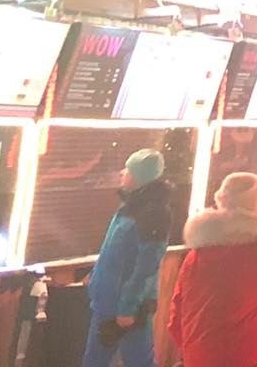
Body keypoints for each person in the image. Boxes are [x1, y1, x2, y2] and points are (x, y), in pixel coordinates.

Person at [168, 172, 257, 367]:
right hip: (241, 355)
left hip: (198, 354)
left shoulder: (197, 253)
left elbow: (177, 310)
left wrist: (192, 350)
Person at [82, 148, 173, 367]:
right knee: (95, 361)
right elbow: (113, 250)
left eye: (128, 170)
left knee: (138, 361)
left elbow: (147, 265)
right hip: (108, 300)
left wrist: (128, 307)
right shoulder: (131, 207)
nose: (123, 173)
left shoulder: (154, 214)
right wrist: (95, 276)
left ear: (140, 177)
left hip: (129, 307)